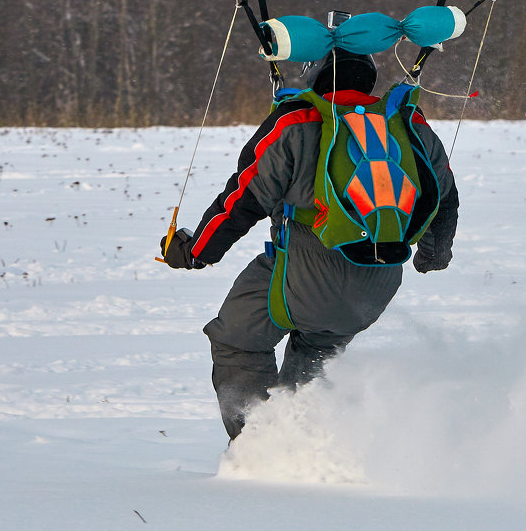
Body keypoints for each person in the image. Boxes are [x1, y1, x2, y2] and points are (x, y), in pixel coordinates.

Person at [160, 48, 459, 440]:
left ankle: (257, 446)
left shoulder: (296, 120)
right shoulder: (407, 122)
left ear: (314, 76)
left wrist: (194, 252)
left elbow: (244, 199)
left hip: (305, 277)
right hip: (377, 284)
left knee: (237, 340)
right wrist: (433, 255)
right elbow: (444, 197)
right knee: (316, 356)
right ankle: (308, 447)